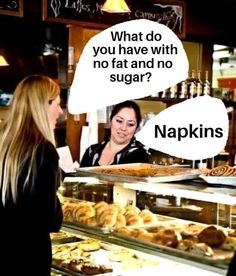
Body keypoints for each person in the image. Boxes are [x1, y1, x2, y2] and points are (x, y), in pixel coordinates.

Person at [0, 75, 63, 275]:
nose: (60, 112)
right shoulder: (43, 150)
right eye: (57, 104)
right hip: (28, 258)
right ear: (43, 106)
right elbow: (50, 220)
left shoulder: (4, 143)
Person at [80, 100, 149, 167]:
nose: (123, 128)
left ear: (136, 128)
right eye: (119, 121)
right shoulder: (91, 151)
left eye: (130, 124)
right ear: (110, 121)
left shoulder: (139, 155)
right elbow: (80, 178)